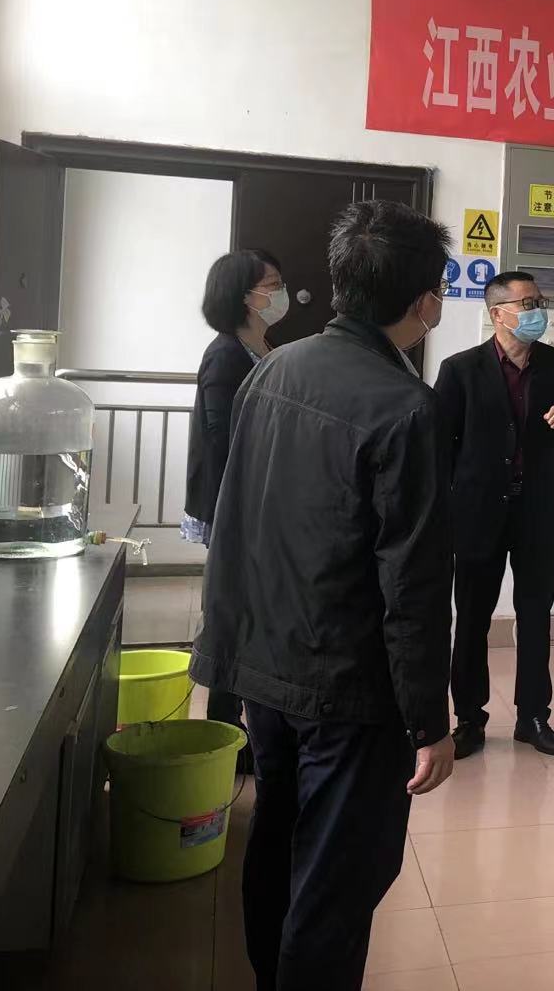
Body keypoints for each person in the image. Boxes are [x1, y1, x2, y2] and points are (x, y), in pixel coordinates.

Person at [190, 201, 456, 991]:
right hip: (347, 686)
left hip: (267, 666)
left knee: (276, 835)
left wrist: (226, 653)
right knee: (335, 880)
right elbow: (412, 583)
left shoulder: (273, 369)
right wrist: (429, 721)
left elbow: (237, 522)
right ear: (423, 303)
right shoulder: (406, 406)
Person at [437, 270, 554, 761]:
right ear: (497, 314)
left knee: (535, 616)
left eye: (539, 302)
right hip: (478, 512)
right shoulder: (460, 369)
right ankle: (469, 719)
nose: (536, 311)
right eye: (527, 304)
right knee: (472, 619)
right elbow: (441, 445)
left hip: (538, 510)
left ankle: (533, 717)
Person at [182, 248, 285, 758]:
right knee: (232, 612)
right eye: (272, 285)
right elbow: (221, 435)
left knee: (249, 610)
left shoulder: (261, 345)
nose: (280, 293)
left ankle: (241, 722)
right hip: (234, 501)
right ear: (243, 295)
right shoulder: (225, 353)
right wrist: (241, 504)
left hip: (259, 495)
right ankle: (224, 728)